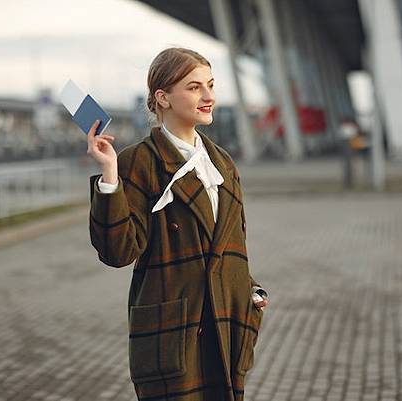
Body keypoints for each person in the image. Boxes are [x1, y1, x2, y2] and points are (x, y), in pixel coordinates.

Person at [86, 47, 269, 401]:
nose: (209, 96)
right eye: (194, 87)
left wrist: (252, 292)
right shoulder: (138, 161)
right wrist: (110, 175)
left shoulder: (222, 163)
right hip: (174, 332)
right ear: (163, 97)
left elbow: (230, 245)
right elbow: (118, 252)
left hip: (225, 322)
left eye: (211, 85)